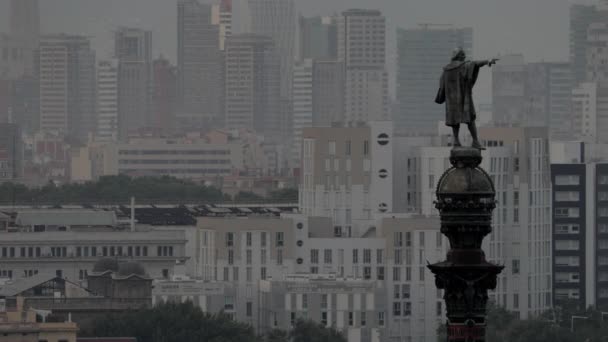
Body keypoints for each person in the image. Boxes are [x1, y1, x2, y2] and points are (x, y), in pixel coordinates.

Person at [435, 48, 498, 149]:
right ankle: (475, 141)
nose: (464, 58)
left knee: (454, 121)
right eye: (463, 56)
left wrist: (442, 95)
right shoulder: (463, 66)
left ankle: (456, 141)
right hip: (464, 99)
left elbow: (441, 85)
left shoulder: (445, 70)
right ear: (460, 56)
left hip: (451, 101)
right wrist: (487, 61)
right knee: (470, 119)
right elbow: (475, 64)